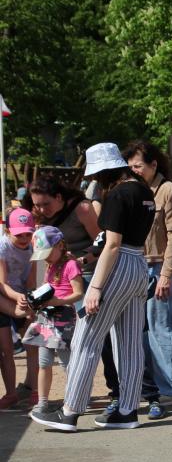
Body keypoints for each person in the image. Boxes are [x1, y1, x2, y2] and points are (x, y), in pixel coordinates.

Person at [30, 142, 155, 432]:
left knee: (85, 338)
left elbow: (112, 244)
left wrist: (96, 287)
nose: (96, 180)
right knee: (130, 343)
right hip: (139, 264)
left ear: (107, 170)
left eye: (98, 174)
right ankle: (127, 410)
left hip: (117, 265)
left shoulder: (118, 194)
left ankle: (70, 411)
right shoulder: (144, 191)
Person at [30, 175, 115, 406]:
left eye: (45, 204)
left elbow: (103, 243)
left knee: (95, 336)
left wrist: (80, 261)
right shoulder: (41, 215)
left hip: (86, 272)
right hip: (58, 274)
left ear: (59, 197)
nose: (41, 209)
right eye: (37, 205)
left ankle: (113, 388)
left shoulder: (83, 209)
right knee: (57, 350)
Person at [123, 140, 172, 418]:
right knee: (137, 333)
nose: (134, 170)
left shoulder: (168, 190)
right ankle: (146, 386)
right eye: (130, 166)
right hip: (135, 266)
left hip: (159, 266)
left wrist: (166, 274)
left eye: (138, 165)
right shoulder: (132, 190)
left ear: (153, 164)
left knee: (163, 330)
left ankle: (171, 388)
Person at [21, 226, 84, 411]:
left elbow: (79, 293)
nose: (46, 258)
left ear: (60, 245)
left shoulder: (71, 265)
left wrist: (59, 301)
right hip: (46, 318)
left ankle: (74, 399)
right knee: (43, 363)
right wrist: (36, 300)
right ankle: (42, 402)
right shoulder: (51, 265)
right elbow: (46, 287)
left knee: (67, 363)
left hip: (64, 319)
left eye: (47, 253)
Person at [0, 208, 37, 408]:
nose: (24, 238)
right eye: (19, 234)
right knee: (6, 349)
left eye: (28, 234)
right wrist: (18, 298)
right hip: (4, 297)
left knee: (32, 345)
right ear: (8, 231)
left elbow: (31, 281)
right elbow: (2, 283)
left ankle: (35, 390)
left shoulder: (33, 247)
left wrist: (31, 301)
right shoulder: (2, 247)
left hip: (22, 297)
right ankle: (11, 393)